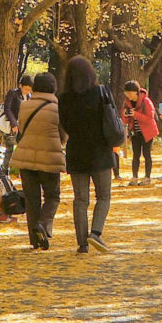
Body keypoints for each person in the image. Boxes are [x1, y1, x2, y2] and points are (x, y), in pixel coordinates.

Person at [58, 55, 122, 252]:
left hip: (76, 151)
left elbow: (66, 126)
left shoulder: (64, 99)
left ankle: (82, 243)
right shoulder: (101, 92)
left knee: (80, 199)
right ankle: (96, 233)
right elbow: (112, 118)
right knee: (103, 195)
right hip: (100, 151)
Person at [11, 72, 65, 251]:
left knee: (32, 200)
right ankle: (43, 224)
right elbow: (63, 134)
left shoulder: (24, 105)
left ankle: (34, 240)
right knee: (52, 196)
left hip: (25, 158)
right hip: (49, 158)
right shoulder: (57, 108)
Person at [121, 80, 160, 185]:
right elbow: (125, 120)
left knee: (146, 154)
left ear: (136, 92)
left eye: (129, 93)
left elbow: (149, 118)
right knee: (135, 155)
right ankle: (134, 177)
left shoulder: (146, 101)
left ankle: (147, 177)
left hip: (148, 132)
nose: (128, 95)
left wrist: (135, 114)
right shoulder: (127, 103)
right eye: (126, 93)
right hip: (135, 132)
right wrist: (125, 115)